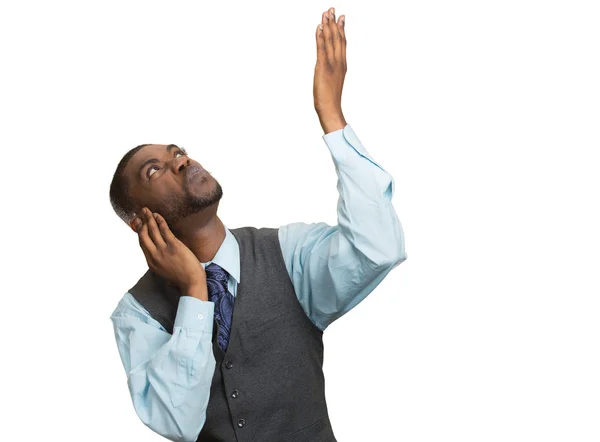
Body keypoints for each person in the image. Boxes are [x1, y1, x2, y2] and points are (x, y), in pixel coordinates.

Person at [109, 6, 407, 442]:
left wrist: (331, 115)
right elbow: (176, 422)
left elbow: (379, 247)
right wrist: (195, 291)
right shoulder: (137, 313)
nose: (180, 161)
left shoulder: (288, 254)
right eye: (153, 171)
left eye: (177, 151)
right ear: (139, 221)